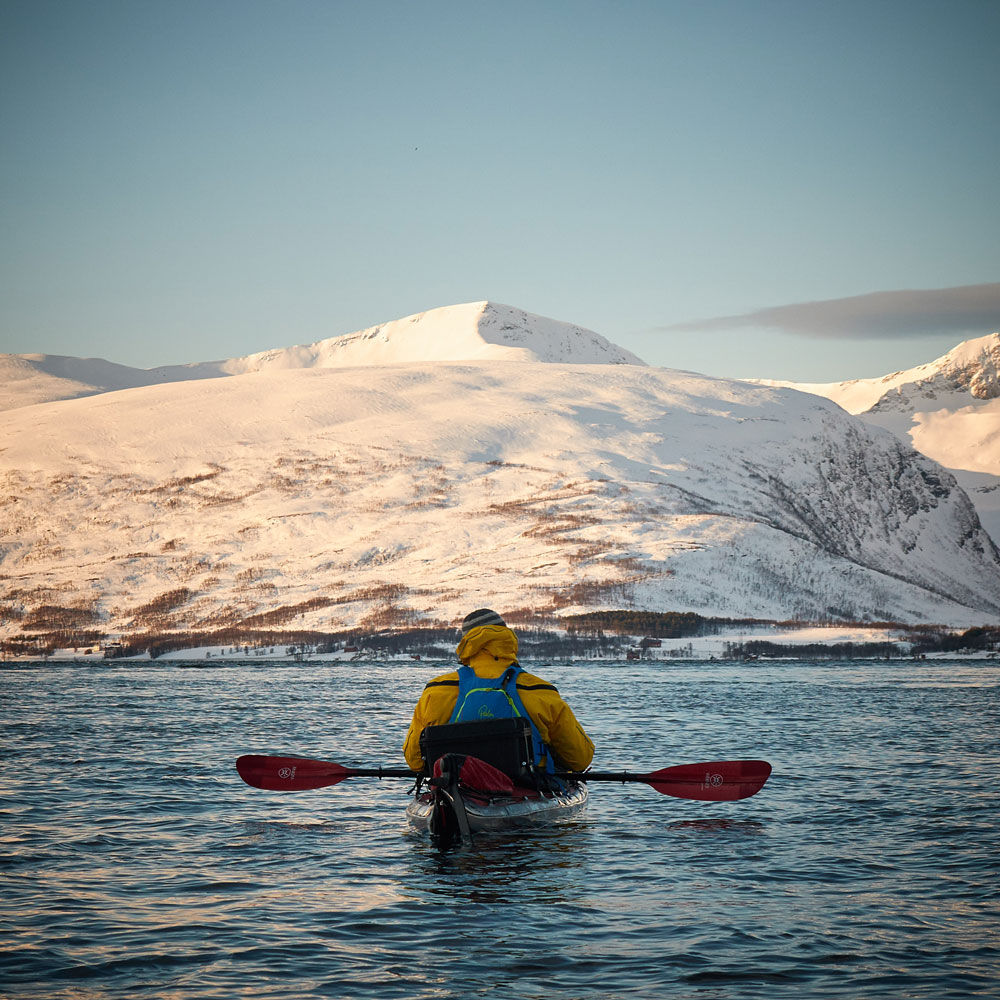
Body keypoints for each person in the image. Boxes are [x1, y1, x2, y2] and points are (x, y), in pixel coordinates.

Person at [403, 609, 594, 775]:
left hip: (456, 790)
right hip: (527, 789)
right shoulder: (540, 691)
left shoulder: (435, 691)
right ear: (506, 637)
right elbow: (580, 759)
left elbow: (415, 762)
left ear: (466, 643)